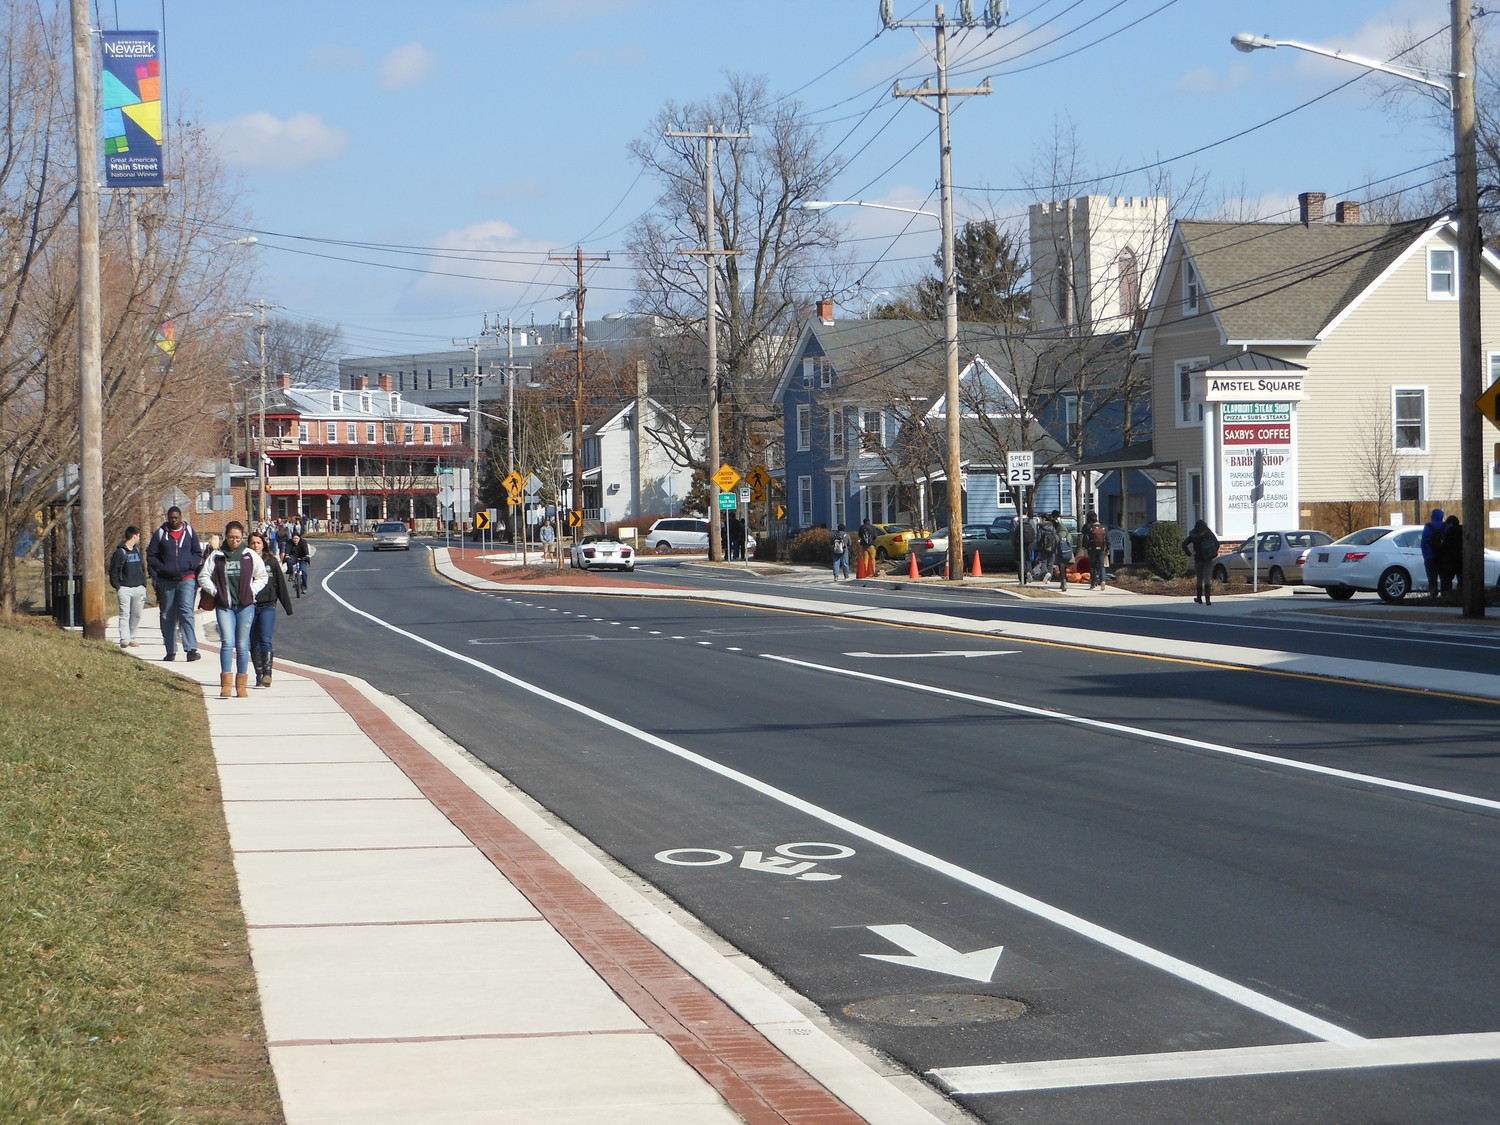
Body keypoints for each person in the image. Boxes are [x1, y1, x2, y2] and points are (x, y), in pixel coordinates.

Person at [198, 521, 267, 699]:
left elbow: (262, 576)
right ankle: (226, 685)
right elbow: (203, 576)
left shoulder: (250, 555)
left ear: (242, 537)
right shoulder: (217, 556)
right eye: (230, 537)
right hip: (225, 606)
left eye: (237, 537)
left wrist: (252, 590)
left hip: (246, 606)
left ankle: (241, 685)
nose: (234, 540)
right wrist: (216, 592)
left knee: (243, 646)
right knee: (228, 643)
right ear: (225, 537)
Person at [146, 505, 203, 662]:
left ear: (181, 517)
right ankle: (170, 650)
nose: (174, 520)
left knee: (186, 612)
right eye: (171, 518)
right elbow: (151, 555)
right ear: (168, 518)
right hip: (167, 581)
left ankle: (191, 649)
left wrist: (190, 565)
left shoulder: (189, 532)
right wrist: (162, 568)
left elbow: (198, 553)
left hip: (187, 578)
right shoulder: (160, 534)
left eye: (176, 518)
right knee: (167, 615)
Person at [249, 531, 293, 688]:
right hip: (250, 606)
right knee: (253, 642)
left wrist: (287, 606)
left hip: (268, 605)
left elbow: (280, 585)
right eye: (253, 543)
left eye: (258, 543)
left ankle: (267, 674)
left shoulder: (271, 562)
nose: (255, 546)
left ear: (263, 544)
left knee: (265, 639)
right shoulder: (245, 562)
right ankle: (258, 675)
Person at [109, 525, 148, 648]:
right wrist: (118, 586)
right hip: (125, 589)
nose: (139, 538)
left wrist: (144, 585)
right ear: (134, 536)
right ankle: (124, 639)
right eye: (138, 536)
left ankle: (132, 637)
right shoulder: (120, 552)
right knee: (124, 613)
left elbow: (142, 568)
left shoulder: (137, 551)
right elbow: (113, 571)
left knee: (137, 614)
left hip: (139, 589)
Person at [1183, 519, 1220, 605]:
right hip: (1208, 559)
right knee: (1207, 579)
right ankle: (1208, 599)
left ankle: (1199, 598)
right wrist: (1213, 553)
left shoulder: (1194, 535)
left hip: (1198, 559)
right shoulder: (1208, 533)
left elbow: (1184, 544)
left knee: (1199, 579)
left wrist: (1189, 554)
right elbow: (1217, 544)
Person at [1420, 507, 1445, 597]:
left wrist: (1425, 555)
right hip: (1443, 557)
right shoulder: (1445, 527)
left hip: (1430, 557)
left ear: (1432, 516)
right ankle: (1444, 596)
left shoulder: (1428, 527)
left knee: (1432, 579)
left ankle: (1433, 594)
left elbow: (1423, 543)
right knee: (1444, 578)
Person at [1437, 513, 1463, 595]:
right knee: (1462, 581)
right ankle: (1461, 596)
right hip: (1462, 560)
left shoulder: (1450, 532)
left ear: (1450, 524)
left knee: (1446, 582)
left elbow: (1445, 546)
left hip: (1450, 561)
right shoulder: (1464, 531)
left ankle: (1447, 597)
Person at [1083, 511, 1109, 590]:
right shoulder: (1104, 527)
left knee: (1093, 566)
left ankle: (1093, 583)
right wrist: (1108, 548)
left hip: (1092, 549)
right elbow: (1107, 539)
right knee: (1101, 565)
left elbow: (1082, 531)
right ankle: (1103, 580)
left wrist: (1087, 524)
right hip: (1102, 549)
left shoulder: (1089, 528)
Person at [1036, 513, 1061, 585]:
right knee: (1050, 563)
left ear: (1044, 519)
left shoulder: (1041, 527)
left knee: (1043, 563)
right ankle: (1049, 580)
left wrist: (1039, 548)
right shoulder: (1052, 527)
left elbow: (1039, 538)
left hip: (1043, 547)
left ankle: (1046, 573)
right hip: (1052, 547)